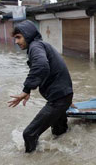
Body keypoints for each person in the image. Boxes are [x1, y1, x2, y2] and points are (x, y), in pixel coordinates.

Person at [8, 20, 73, 153]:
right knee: (59, 133)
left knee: (29, 134)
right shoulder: (40, 45)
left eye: (19, 37)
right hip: (64, 95)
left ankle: (31, 160)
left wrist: (26, 90)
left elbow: (42, 66)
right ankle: (65, 156)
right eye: (15, 38)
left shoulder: (35, 46)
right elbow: (44, 69)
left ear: (28, 34)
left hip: (58, 99)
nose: (16, 42)